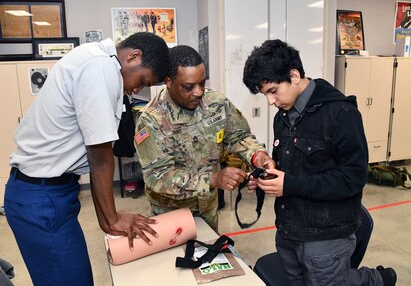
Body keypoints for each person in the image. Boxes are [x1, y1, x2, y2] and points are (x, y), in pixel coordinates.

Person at [4, 32, 169, 286]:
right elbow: (100, 158)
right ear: (134, 56)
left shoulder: (98, 61)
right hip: (41, 197)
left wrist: (107, 220)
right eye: (142, 81)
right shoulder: (100, 66)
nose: (136, 89)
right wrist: (112, 219)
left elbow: (95, 159)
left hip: (53, 192)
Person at [243, 39, 397, 286]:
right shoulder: (283, 117)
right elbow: (296, 168)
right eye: (265, 95)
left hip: (325, 237)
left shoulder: (341, 114)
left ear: (294, 76)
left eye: (272, 91)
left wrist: (290, 185)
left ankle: (375, 280)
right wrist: (268, 174)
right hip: (288, 231)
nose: (270, 101)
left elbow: (353, 178)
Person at [134, 45, 274, 231]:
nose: (199, 92)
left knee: (209, 256)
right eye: (189, 87)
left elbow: (239, 135)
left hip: (208, 208)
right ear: (168, 81)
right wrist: (213, 179)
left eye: (202, 83)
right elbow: (157, 177)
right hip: (171, 215)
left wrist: (257, 155)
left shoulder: (216, 102)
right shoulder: (151, 120)